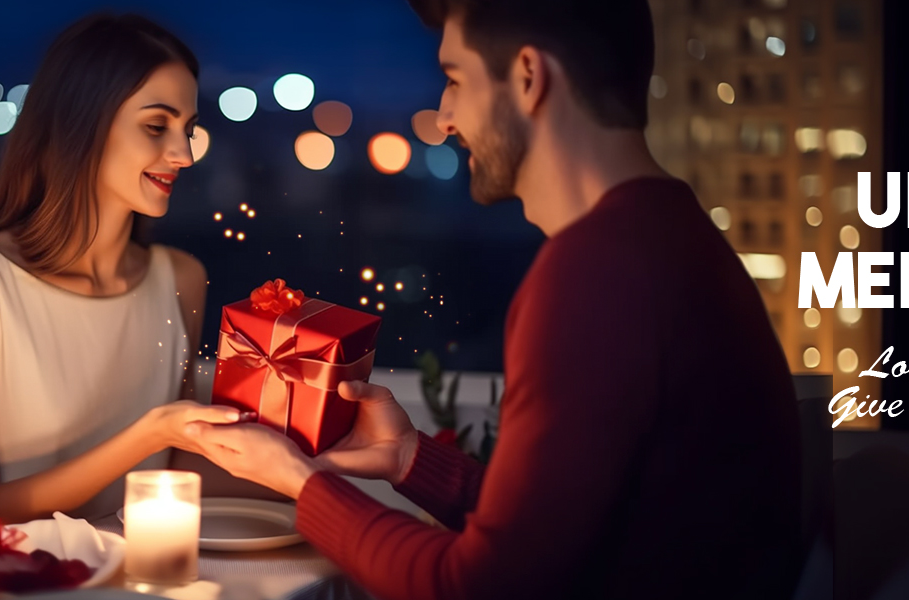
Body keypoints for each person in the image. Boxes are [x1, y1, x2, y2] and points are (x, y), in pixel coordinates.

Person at [188, 0, 803, 598]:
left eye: (455, 79)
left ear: (530, 77)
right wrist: (407, 457)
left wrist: (300, 481)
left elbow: (479, 586)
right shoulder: (668, 234)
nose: (445, 115)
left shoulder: (598, 272)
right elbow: (563, 529)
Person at [0, 13, 243, 524]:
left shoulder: (181, 278)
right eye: (156, 126)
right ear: (81, 123)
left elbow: (178, 470)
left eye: (189, 129)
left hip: (137, 574)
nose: (183, 153)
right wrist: (150, 434)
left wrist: (318, 468)